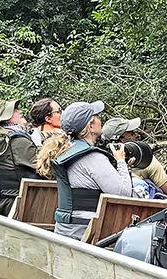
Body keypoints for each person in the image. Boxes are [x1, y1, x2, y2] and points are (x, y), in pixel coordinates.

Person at [36, 101, 133, 240]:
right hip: (86, 234)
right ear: (90, 126)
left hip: (64, 230)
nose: (101, 121)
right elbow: (123, 195)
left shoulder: (65, 150)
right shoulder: (92, 157)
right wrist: (121, 161)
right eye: (97, 117)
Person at [101, 117, 167, 198]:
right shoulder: (147, 161)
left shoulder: (101, 164)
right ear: (121, 140)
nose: (136, 135)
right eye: (131, 133)